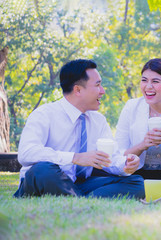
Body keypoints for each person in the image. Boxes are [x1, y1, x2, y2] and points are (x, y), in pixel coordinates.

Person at [14, 59, 144, 199]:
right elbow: (26, 153)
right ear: (78, 90)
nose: (103, 91)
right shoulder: (44, 114)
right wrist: (75, 158)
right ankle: (80, 199)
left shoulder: (98, 120)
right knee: (42, 169)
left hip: (80, 183)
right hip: (47, 180)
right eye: (98, 85)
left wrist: (125, 164)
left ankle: (76, 199)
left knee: (136, 183)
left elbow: (109, 158)